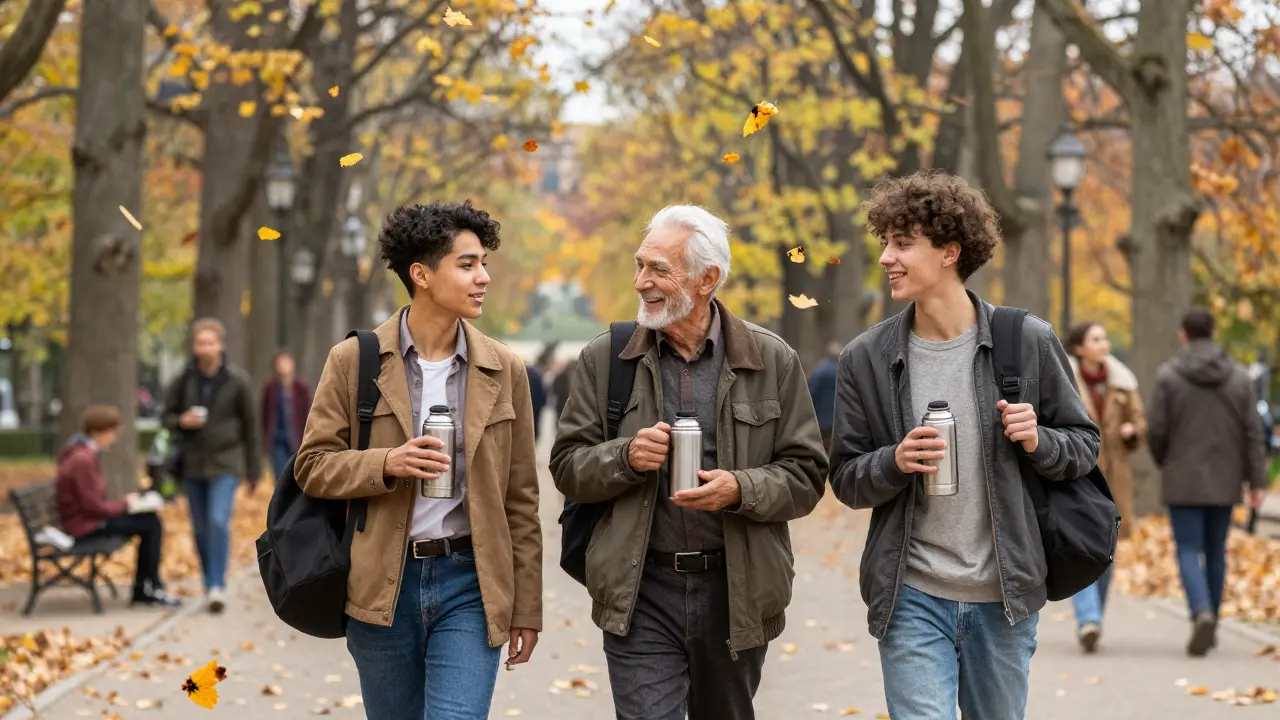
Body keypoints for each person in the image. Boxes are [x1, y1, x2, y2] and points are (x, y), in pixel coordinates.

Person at [827, 171, 1099, 718]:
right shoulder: (865, 358)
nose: (886, 258)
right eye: (885, 243)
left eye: (903, 244)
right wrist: (894, 461)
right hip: (910, 594)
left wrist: (1038, 440)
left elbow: (1084, 445)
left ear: (950, 251)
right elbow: (846, 477)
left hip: (1004, 596)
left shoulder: (1027, 341)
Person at [550, 205, 828, 720]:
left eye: (658, 269)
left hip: (735, 592)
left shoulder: (772, 360)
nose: (641, 282)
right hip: (641, 592)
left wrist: (740, 488)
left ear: (708, 279)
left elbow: (807, 475)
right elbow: (566, 465)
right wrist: (626, 457)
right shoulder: (606, 359)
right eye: (640, 266)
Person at [294, 200, 542, 719]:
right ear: (422, 274)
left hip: (470, 583)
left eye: (484, 264)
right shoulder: (355, 361)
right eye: (468, 264)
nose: (484, 277)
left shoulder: (505, 369)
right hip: (382, 585)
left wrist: (526, 608)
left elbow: (520, 499)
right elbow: (313, 465)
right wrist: (386, 463)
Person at [1147, 307, 1268, 656]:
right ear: (1213, 332)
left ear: (1184, 335)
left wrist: (1165, 461)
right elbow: (1252, 433)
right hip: (1226, 479)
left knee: (1187, 548)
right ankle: (1211, 619)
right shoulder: (1239, 377)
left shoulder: (1169, 376)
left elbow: (1156, 430)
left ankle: (1200, 612)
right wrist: (1256, 481)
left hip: (1182, 477)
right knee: (1216, 550)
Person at [161, 317, 261, 614]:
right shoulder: (184, 381)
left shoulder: (236, 381)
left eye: (210, 342)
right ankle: (209, 581)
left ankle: (218, 584)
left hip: (226, 462)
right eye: (199, 343)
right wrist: (181, 421)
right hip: (192, 463)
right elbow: (165, 416)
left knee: (218, 520)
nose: (204, 348)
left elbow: (251, 427)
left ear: (220, 345)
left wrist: (254, 469)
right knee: (201, 528)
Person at [1064, 321, 1146, 653]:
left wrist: (1132, 430)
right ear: (1079, 348)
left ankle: (1094, 616)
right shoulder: (1064, 379)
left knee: (1107, 552)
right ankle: (1089, 619)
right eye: (1095, 339)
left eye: (1105, 337)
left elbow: (1141, 422)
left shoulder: (1122, 383)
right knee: (1081, 547)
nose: (1103, 343)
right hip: (1077, 477)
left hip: (1114, 480)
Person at [57, 405, 180, 608]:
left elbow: (93, 501)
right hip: (85, 525)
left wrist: (128, 503)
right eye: (111, 432)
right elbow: (93, 506)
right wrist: (127, 504)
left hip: (87, 520)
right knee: (150, 524)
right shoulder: (82, 459)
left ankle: (147, 587)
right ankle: (148, 588)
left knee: (150, 521)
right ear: (97, 432)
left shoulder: (84, 453)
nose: (113, 438)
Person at [260, 350, 313, 479]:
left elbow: (309, 413)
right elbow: (265, 415)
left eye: (286, 362)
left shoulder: (302, 388)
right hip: (278, 439)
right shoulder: (270, 388)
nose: (284, 366)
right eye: (280, 363)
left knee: (298, 475)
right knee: (280, 475)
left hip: (298, 438)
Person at [808, 342, 841, 450]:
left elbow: (812, 392)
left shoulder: (819, 370)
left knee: (823, 444)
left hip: (821, 416)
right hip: (835, 417)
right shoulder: (839, 370)